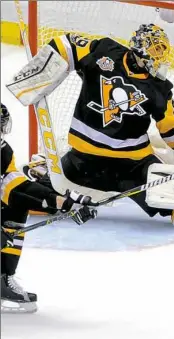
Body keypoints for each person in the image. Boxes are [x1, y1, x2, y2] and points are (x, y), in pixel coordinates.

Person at [6, 24, 174, 227]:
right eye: (157, 52)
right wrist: (38, 76)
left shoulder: (150, 84)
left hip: (127, 166)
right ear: (143, 50)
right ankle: (39, 173)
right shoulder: (105, 53)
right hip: (89, 163)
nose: (160, 60)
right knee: (43, 196)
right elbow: (66, 45)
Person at [1, 103, 97, 313]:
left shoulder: (4, 152)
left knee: (14, 210)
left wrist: (62, 202)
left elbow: (16, 187)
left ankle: (2, 280)